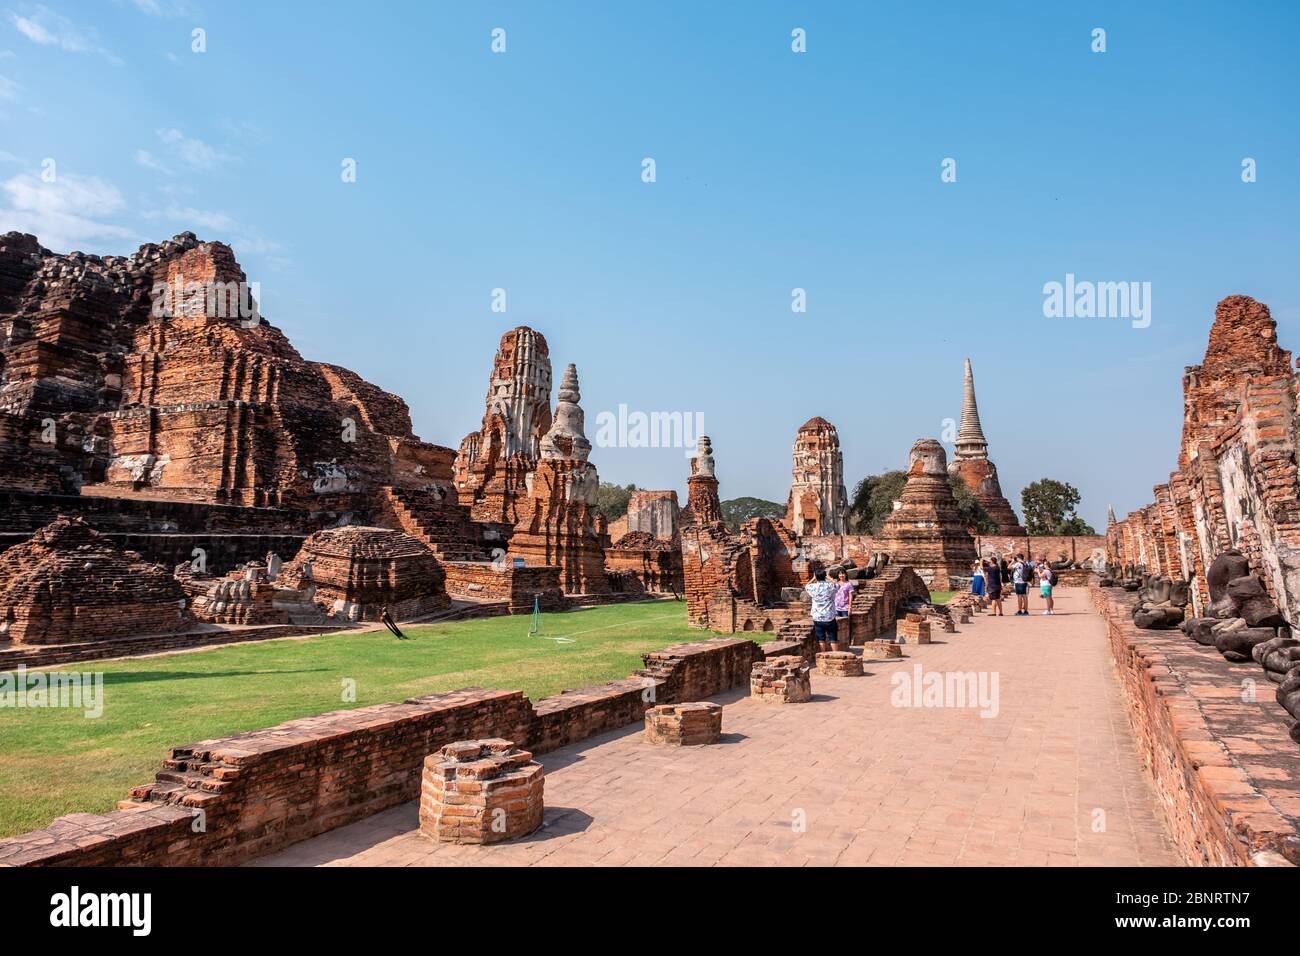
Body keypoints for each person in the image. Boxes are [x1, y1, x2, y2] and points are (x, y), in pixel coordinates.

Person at [806, 568, 839, 652]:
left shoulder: (812, 587)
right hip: (829, 616)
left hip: (817, 617)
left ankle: (823, 656)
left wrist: (813, 578)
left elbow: (806, 586)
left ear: (816, 577)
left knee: (821, 639)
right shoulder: (830, 586)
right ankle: (835, 656)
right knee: (833, 638)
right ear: (825, 576)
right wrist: (830, 578)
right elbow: (838, 585)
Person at [834, 570, 856, 647]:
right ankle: (839, 641)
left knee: (847, 624)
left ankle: (848, 641)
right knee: (837, 626)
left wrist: (850, 607)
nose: (841, 575)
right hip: (836, 607)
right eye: (840, 574)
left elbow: (850, 596)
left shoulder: (849, 584)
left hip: (845, 607)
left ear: (846, 575)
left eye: (843, 574)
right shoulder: (836, 584)